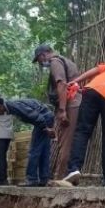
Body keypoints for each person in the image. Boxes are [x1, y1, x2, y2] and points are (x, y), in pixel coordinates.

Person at [33, 44, 82, 179]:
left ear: (43, 55)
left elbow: (61, 84)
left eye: (39, 60)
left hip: (70, 104)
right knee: (66, 139)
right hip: (75, 102)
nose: (41, 63)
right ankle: (68, 173)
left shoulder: (55, 63)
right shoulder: (66, 61)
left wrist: (62, 110)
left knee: (65, 141)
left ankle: (60, 176)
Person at [0, 93, 55, 187]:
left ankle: (32, 179)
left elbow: (33, 115)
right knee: (43, 150)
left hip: (43, 118)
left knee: (34, 150)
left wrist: (45, 128)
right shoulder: (11, 107)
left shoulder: (13, 106)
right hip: (46, 116)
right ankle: (44, 179)